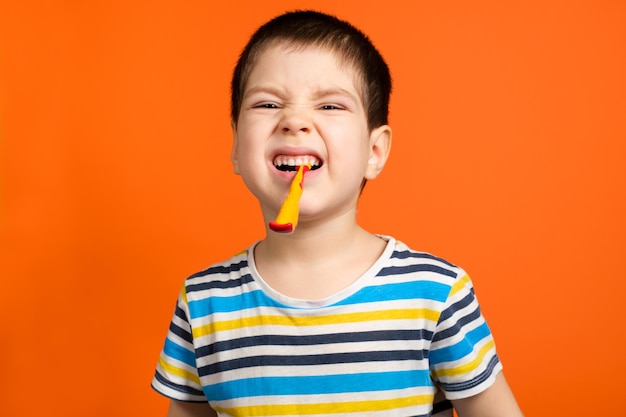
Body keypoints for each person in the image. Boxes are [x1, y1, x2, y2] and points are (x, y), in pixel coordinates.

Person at [152, 10, 524, 417]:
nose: (294, 121)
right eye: (268, 103)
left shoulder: (435, 293)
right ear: (237, 146)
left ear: (374, 151)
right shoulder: (204, 302)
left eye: (329, 105)